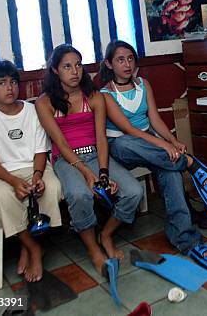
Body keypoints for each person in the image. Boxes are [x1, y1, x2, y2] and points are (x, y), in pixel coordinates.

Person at [35, 44, 143, 273]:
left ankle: (106, 234)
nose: (75, 71)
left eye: (78, 65)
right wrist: (88, 175)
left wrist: (103, 174)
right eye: (67, 66)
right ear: (55, 70)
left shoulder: (94, 96)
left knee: (134, 192)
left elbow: (101, 138)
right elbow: (61, 145)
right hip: (67, 160)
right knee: (79, 194)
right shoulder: (44, 103)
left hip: (96, 154)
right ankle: (93, 249)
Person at [98, 40, 202, 253]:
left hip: (150, 142)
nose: (127, 64)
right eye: (120, 60)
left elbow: (154, 119)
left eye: (130, 59)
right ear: (109, 64)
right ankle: (186, 162)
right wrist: (163, 145)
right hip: (121, 145)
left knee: (169, 169)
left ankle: (184, 238)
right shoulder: (105, 95)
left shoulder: (143, 84)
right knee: (130, 143)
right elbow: (129, 130)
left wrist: (173, 142)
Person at [0, 61, 62, 282]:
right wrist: (13, 181)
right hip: (3, 173)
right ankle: (33, 248)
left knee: (52, 187)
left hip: (34, 167)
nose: (9, 87)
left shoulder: (32, 111)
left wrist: (38, 176)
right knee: (2, 196)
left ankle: (27, 243)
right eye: (2, 83)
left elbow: (41, 152)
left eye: (13, 82)